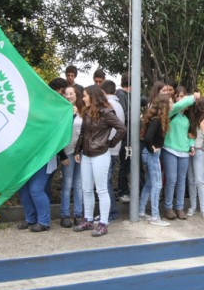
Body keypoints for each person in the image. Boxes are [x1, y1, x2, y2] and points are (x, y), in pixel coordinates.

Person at [18, 78, 71, 232]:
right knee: (24, 188)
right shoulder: (36, 105)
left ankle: (44, 221)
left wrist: (62, 155)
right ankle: (30, 219)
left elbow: (58, 136)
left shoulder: (58, 108)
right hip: (27, 154)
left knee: (36, 189)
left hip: (44, 156)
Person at [73, 85, 126, 237]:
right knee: (87, 189)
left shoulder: (107, 112)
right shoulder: (88, 112)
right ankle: (88, 220)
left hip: (101, 154)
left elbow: (122, 129)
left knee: (101, 190)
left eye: (85, 96)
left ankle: (103, 223)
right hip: (87, 154)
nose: (83, 98)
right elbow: (83, 132)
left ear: (93, 96)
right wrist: (78, 150)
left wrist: (110, 143)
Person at [162, 89, 196, 220]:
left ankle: (180, 208)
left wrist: (191, 145)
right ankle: (168, 208)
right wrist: (192, 97)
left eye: (184, 97)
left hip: (184, 152)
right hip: (170, 149)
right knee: (171, 179)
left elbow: (191, 134)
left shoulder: (188, 118)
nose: (181, 99)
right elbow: (178, 106)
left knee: (182, 181)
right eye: (179, 97)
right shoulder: (171, 112)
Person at [139, 94, 172, 226]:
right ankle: (155, 217)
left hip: (149, 154)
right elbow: (147, 138)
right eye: (170, 102)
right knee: (157, 184)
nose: (172, 104)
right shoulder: (157, 120)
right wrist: (152, 149)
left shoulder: (156, 119)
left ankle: (141, 211)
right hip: (151, 154)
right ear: (164, 105)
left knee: (149, 184)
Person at [60, 85, 84, 228]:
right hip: (67, 152)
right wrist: (62, 155)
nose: (69, 96)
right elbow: (58, 135)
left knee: (79, 185)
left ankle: (78, 214)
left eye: (71, 94)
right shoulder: (61, 111)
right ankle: (64, 215)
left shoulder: (83, 110)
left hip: (80, 152)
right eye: (66, 94)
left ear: (77, 95)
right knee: (67, 185)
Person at [187, 97, 204, 219]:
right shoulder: (193, 118)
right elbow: (189, 135)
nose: (197, 106)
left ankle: (203, 209)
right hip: (190, 150)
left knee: (199, 181)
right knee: (191, 180)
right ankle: (193, 207)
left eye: (199, 105)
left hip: (200, 151)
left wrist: (203, 131)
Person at [102, 80, 124, 221]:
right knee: (107, 182)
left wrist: (109, 143)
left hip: (109, 150)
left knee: (106, 183)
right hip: (115, 149)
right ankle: (111, 212)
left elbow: (116, 128)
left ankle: (112, 213)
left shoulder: (110, 106)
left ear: (103, 92)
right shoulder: (119, 105)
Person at [115, 72, 131, 203]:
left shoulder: (129, 95)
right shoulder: (121, 94)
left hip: (130, 135)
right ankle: (122, 191)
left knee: (129, 163)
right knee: (125, 163)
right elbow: (125, 114)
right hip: (125, 136)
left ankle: (126, 190)